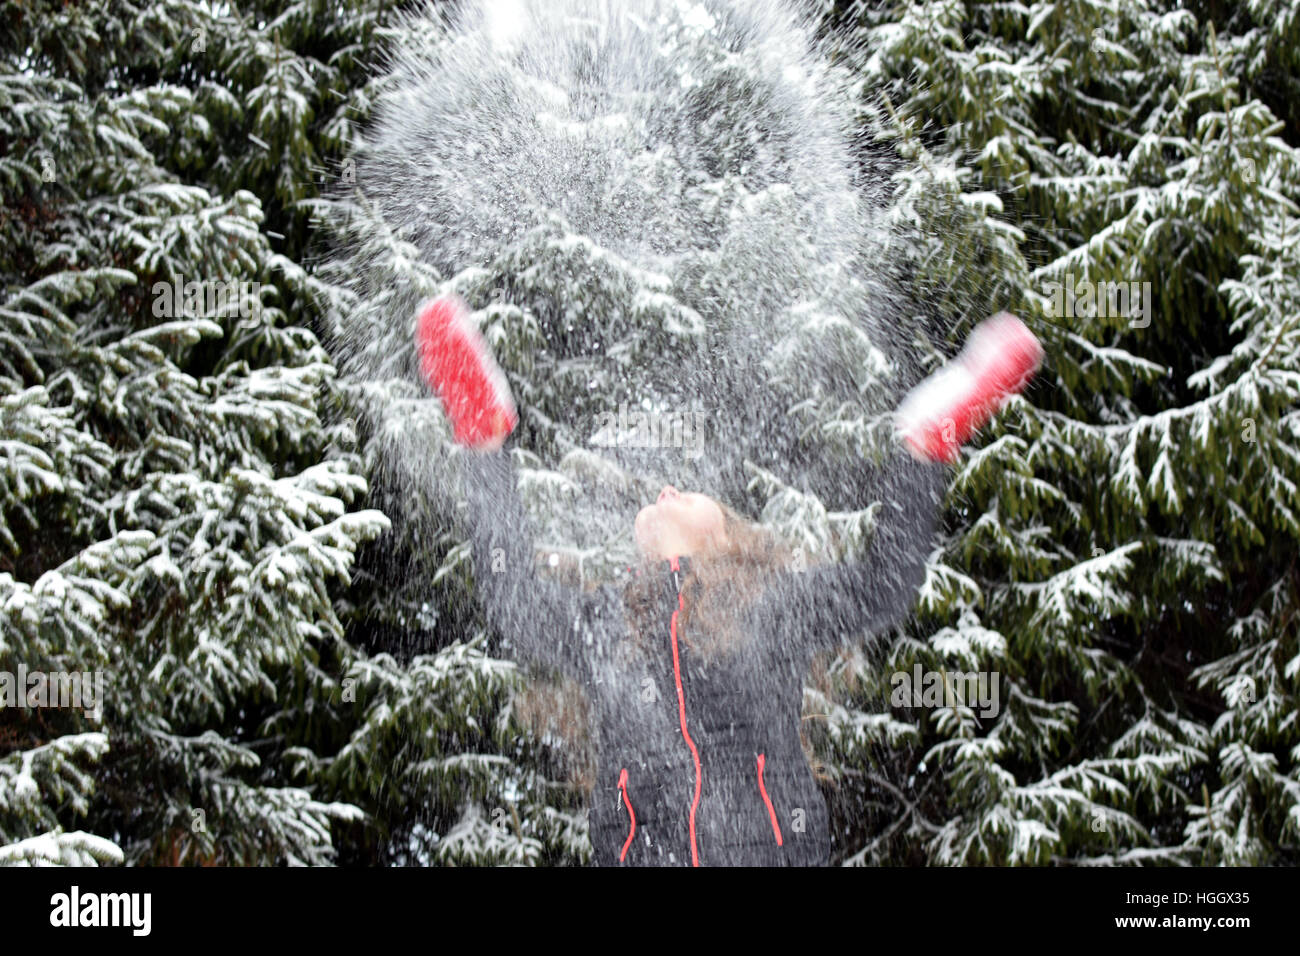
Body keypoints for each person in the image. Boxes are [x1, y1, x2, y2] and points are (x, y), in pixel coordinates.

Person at [450, 312, 1042, 866]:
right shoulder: (605, 621)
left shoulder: (772, 602)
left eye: (687, 492)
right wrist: (485, 452)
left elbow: (881, 584)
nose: (664, 492)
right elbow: (515, 597)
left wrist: (922, 453)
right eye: (661, 495)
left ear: (728, 536)